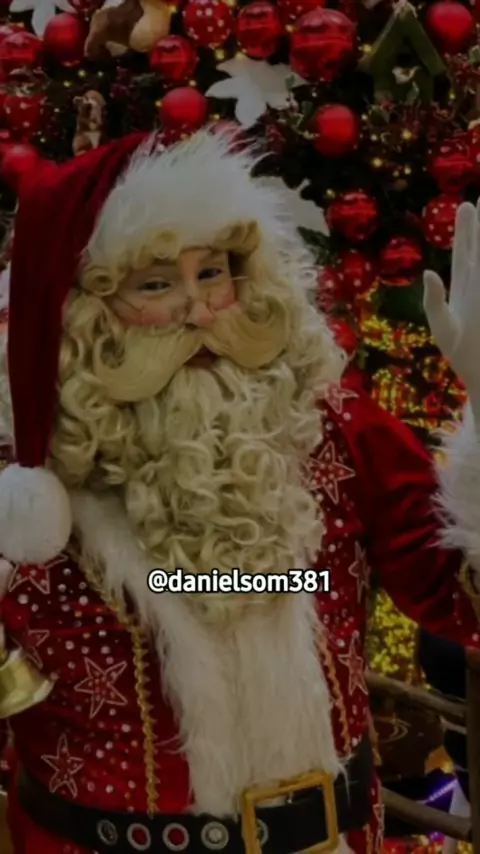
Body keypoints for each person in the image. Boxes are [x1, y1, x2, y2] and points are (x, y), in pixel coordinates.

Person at [0, 130, 479, 854]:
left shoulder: (332, 427)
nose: (200, 311)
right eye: (156, 284)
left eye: (213, 273)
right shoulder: (24, 486)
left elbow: (459, 597)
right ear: (83, 309)